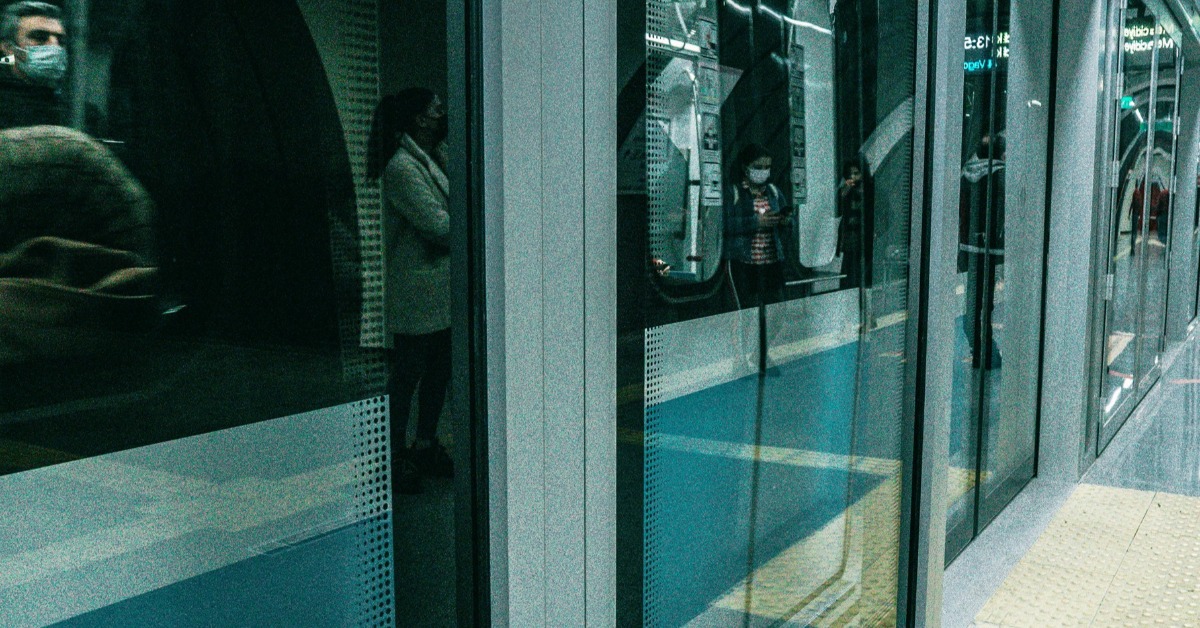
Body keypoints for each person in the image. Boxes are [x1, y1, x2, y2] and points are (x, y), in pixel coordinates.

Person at [367, 88, 452, 494]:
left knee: (438, 372)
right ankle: (391, 454)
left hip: (440, 291)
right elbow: (439, 227)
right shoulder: (402, 167)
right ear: (419, 119)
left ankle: (424, 444)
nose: (443, 114)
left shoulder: (432, 157)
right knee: (407, 376)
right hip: (418, 292)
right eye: (437, 109)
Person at [723, 143, 790, 308]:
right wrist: (756, 222)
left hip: (772, 262)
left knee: (777, 308)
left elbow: (789, 222)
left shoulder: (773, 192)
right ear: (745, 168)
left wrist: (784, 221)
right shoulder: (734, 192)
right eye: (758, 167)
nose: (763, 171)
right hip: (745, 264)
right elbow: (724, 224)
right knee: (749, 309)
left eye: (767, 167)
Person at [959, 133, 1005, 369]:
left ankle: (978, 348)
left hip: (968, 247)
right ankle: (987, 351)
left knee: (973, 300)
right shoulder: (1001, 175)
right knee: (987, 304)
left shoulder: (966, 174)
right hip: (991, 249)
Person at [0, 1, 67, 129]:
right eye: (39, 37)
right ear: (8, 47)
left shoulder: (79, 113)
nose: (55, 46)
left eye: (61, 40)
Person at [837, 160, 866, 289]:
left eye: (856, 173)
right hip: (849, 241)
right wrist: (844, 192)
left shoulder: (869, 192)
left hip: (863, 241)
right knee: (847, 274)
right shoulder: (846, 192)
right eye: (850, 174)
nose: (853, 177)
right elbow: (836, 209)